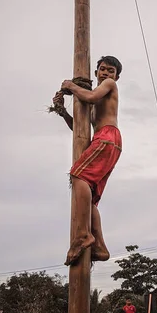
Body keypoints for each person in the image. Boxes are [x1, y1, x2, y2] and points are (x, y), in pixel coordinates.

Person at [53, 55, 122, 265]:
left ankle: (83, 235)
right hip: (107, 141)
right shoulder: (93, 104)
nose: (106, 73)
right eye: (103, 69)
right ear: (96, 72)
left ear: (116, 77)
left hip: (108, 137)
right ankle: (99, 246)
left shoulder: (107, 87)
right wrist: (63, 111)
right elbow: (80, 129)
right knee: (88, 198)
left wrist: (71, 86)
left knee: (77, 175)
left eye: (111, 71)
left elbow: (90, 97)